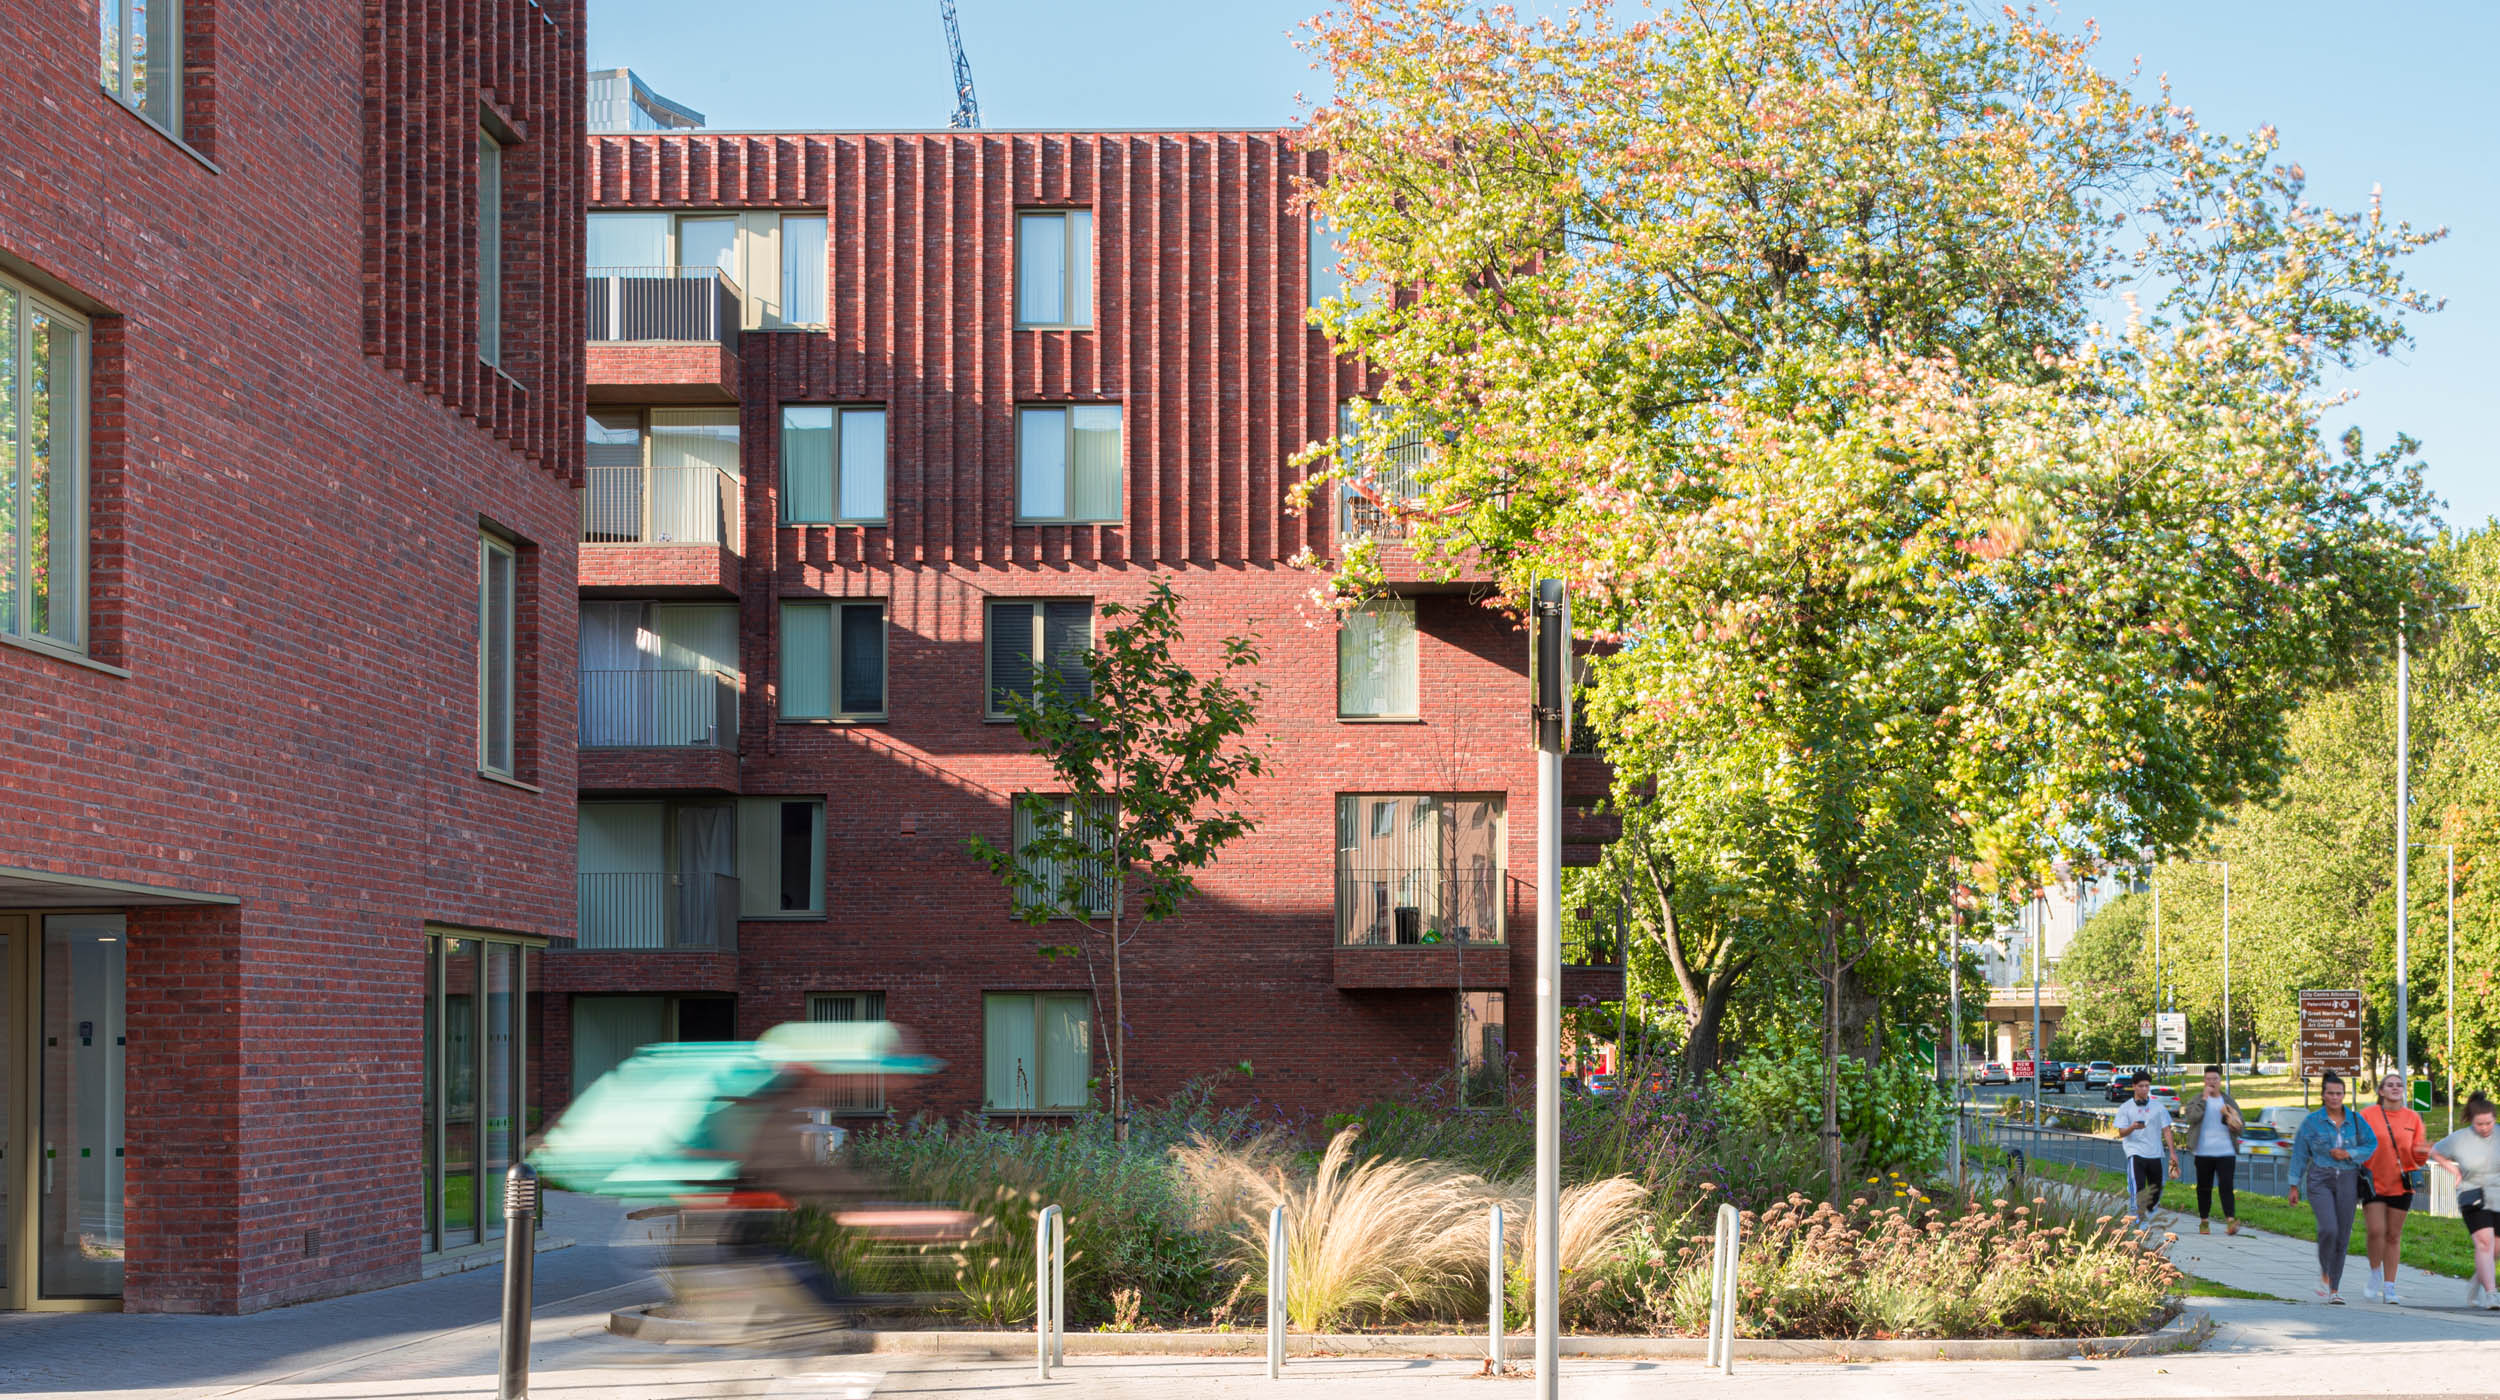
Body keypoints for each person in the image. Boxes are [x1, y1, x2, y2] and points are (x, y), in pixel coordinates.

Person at [2288, 1070, 2378, 1304]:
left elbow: (2372, 1143)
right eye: (2330, 1093)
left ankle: (2334, 1288)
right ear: (2323, 1095)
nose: (2335, 1097)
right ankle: (2325, 1271)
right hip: (2320, 1178)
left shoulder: (2356, 1120)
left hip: (2348, 1178)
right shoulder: (2312, 1122)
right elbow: (2299, 1153)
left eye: (2339, 1093)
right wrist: (2293, 1184)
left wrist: (2350, 1153)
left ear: (2344, 1095)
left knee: (2343, 1234)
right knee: (2329, 1229)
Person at [2358, 1070, 2429, 1305]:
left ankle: (2389, 1287)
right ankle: (2374, 1272)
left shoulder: (2413, 1118)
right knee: (2376, 1231)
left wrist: (2423, 1153)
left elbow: (2419, 1155)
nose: (2396, 1088)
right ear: (2381, 1091)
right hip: (2373, 1182)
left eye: (2399, 1085)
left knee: (2393, 1235)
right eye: (2390, 1085)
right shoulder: (2367, 1115)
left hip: (2401, 1183)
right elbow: (2356, 1144)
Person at [2427, 1091, 2500, 1310]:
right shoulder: (2459, 1138)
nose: (2485, 1128)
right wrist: (2452, 1169)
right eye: (2480, 1124)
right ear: (2471, 1120)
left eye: (2489, 1123)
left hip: (2498, 1194)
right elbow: (2435, 1151)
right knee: (2484, 1242)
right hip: (2472, 1193)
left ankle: (2477, 1282)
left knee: (2495, 1249)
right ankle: (2491, 1294)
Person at [2179, 1065, 2245, 1236]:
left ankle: (2230, 1220)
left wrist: (2233, 1121)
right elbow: (2191, 1118)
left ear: (2220, 1081)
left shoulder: (2228, 1101)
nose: (2212, 1083)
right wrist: (2204, 1100)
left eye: (2215, 1079)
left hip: (2226, 1151)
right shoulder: (2196, 1099)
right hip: (2203, 1151)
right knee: (2204, 1187)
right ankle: (2204, 1221)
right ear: (2204, 1081)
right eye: (2208, 1079)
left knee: (2226, 1186)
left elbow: (2240, 1125)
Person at [2114, 1069, 2179, 1222]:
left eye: (2147, 1086)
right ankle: (2137, 1216)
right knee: (2139, 1186)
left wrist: (2173, 1153)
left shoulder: (2158, 1107)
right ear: (2134, 1086)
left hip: (2155, 1153)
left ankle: (2149, 1209)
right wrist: (2132, 1127)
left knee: (2155, 1190)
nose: (2144, 1089)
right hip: (2135, 1152)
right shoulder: (2126, 1108)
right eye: (2141, 1086)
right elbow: (2121, 1132)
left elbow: (2167, 1130)